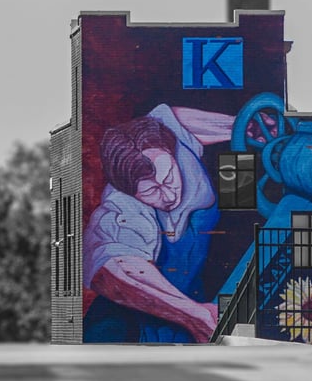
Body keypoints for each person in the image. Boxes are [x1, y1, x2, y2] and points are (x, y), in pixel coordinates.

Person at [83, 104, 236, 343]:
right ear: (129, 192)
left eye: (169, 178)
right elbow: (114, 271)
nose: (169, 195)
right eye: (151, 191)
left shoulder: (166, 141)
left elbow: (172, 119)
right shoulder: (120, 209)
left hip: (193, 294)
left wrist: (243, 126)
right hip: (133, 320)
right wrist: (192, 314)